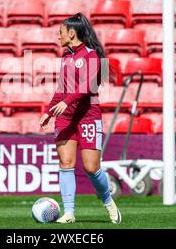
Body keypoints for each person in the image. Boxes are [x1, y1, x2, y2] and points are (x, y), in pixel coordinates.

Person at [39, 12, 122, 224]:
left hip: (88, 115)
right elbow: (61, 89)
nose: (58, 36)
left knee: (91, 167)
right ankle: (69, 213)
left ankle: (108, 202)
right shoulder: (66, 57)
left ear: (72, 33)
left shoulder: (91, 56)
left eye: (61, 33)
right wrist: (49, 112)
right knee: (65, 162)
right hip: (65, 117)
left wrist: (66, 101)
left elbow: (87, 87)